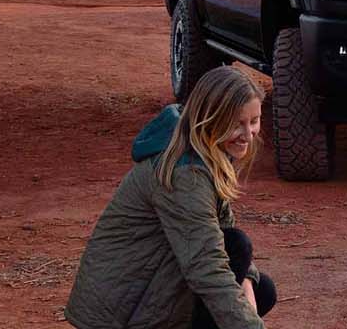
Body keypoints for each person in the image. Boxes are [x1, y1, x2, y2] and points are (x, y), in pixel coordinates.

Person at [66, 66, 275, 329]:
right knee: (231, 256)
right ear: (210, 119)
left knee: (258, 285)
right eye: (237, 123)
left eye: (253, 121)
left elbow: (222, 231)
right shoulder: (185, 174)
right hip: (122, 313)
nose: (248, 134)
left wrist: (247, 279)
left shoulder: (205, 150)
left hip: (147, 287)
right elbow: (206, 265)